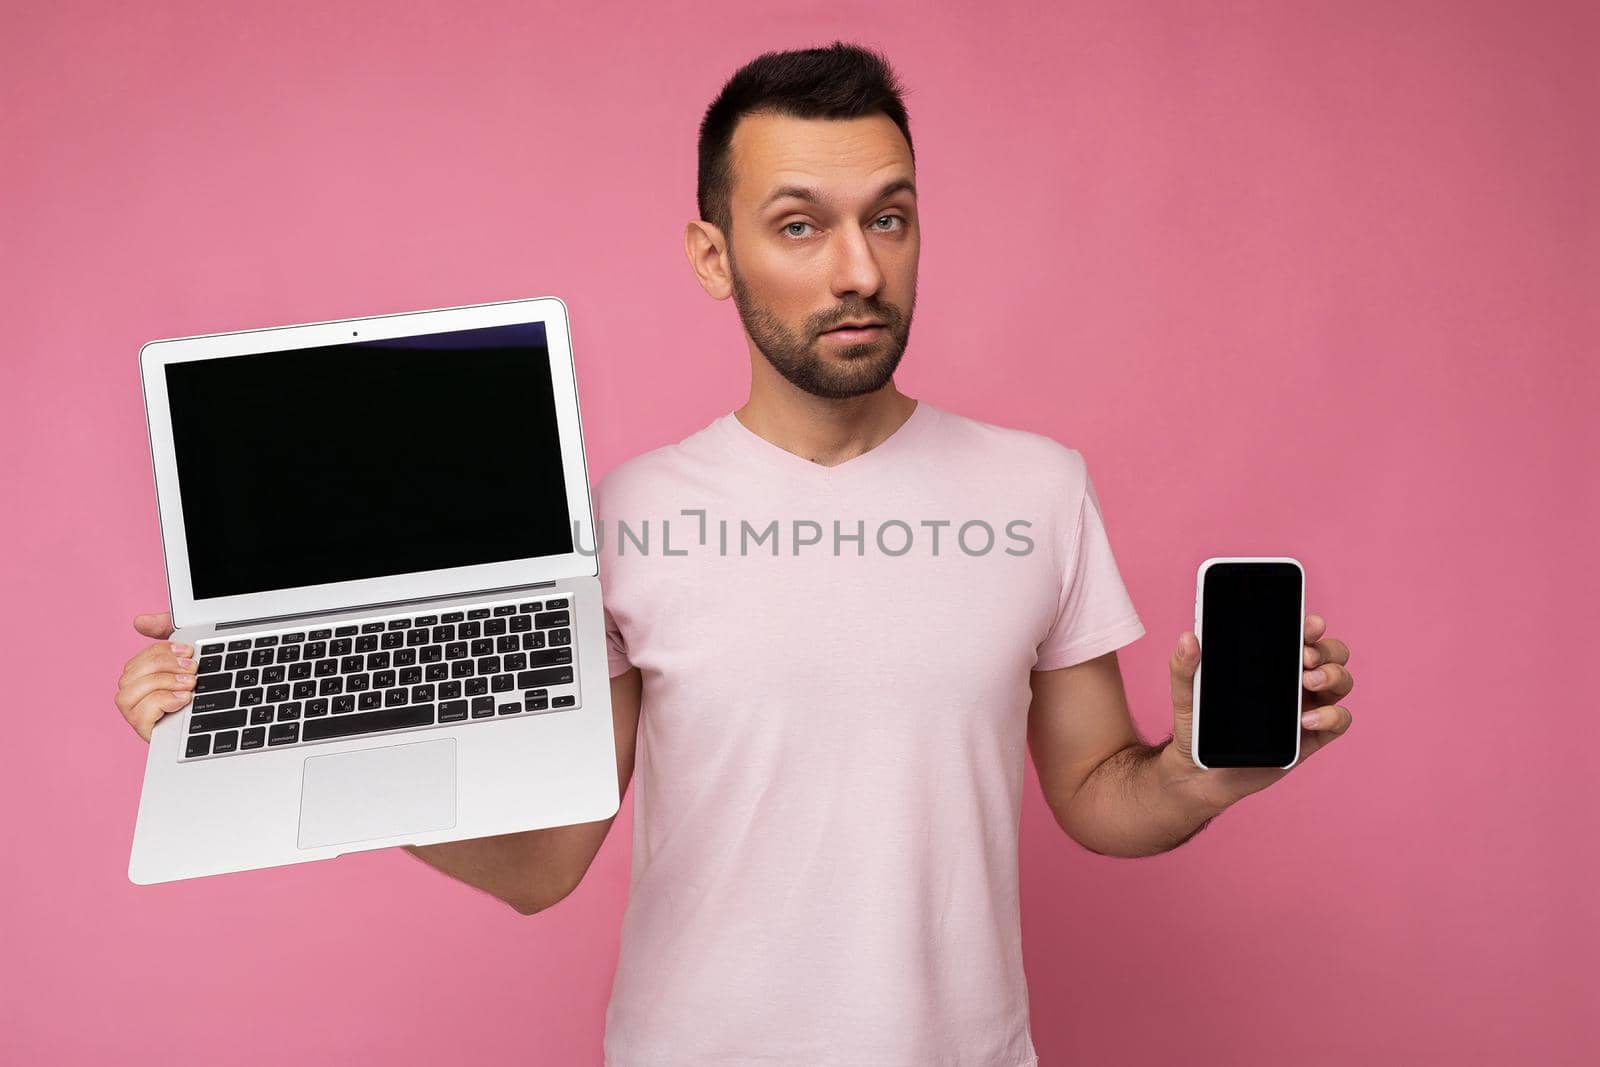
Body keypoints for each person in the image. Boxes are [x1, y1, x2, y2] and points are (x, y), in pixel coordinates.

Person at [114, 41, 1356, 1067]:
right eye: (799, 226)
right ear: (715, 255)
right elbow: (547, 862)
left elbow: (1096, 792)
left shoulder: (1037, 487)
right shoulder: (628, 515)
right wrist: (310, 749)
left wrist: (1200, 770)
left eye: (890, 218)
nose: (859, 269)